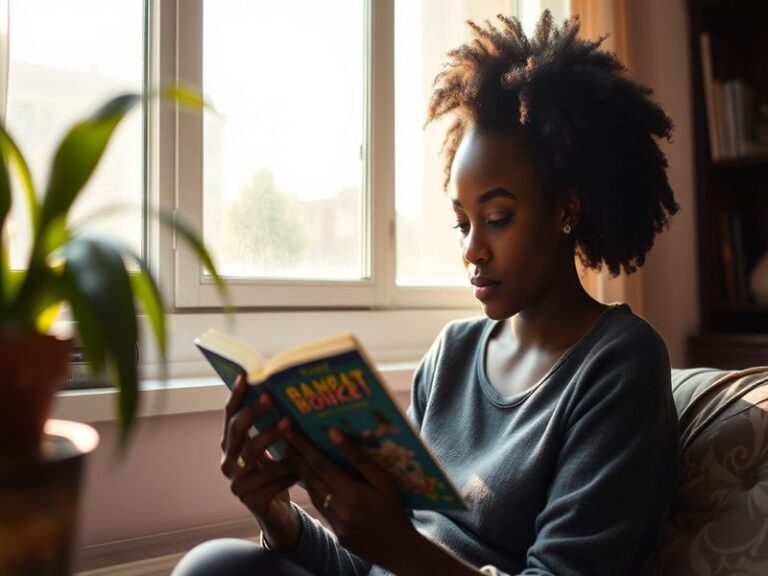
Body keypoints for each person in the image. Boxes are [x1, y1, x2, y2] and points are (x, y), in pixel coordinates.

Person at [173, 10, 680, 576]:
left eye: (498, 217)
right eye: (462, 223)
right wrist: (277, 515)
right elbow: (366, 563)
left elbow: (406, 551)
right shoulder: (452, 354)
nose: (471, 250)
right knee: (211, 562)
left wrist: (395, 543)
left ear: (567, 209)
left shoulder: (619, 364)